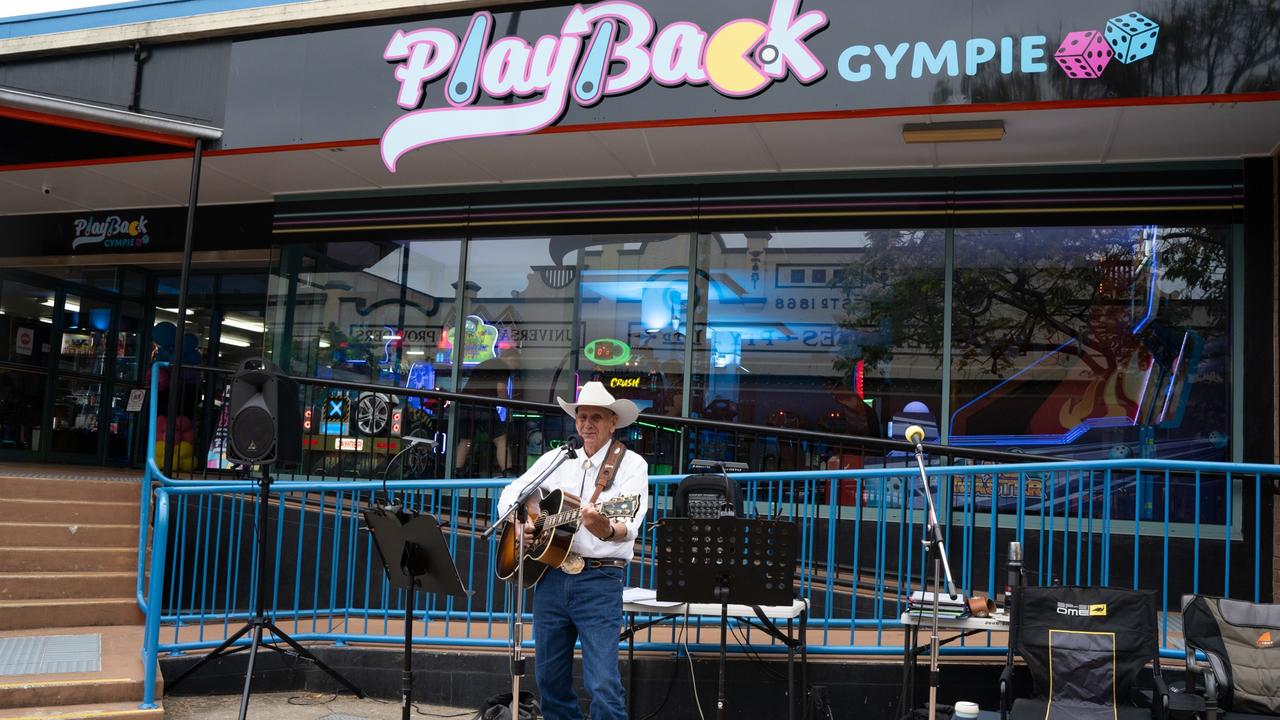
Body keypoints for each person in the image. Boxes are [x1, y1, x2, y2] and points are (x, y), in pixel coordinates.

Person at [496, 381, 649, 720]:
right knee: (549, 680)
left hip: (599, 578)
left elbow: (628, 526)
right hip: (550, 578)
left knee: (603, 684)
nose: (587, 425)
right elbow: (512, 492)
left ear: (613, 423)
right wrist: (523, 521)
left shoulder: (632, 466)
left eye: (596, 417)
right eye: (582, 417)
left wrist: (604, 526)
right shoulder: (558, 458)